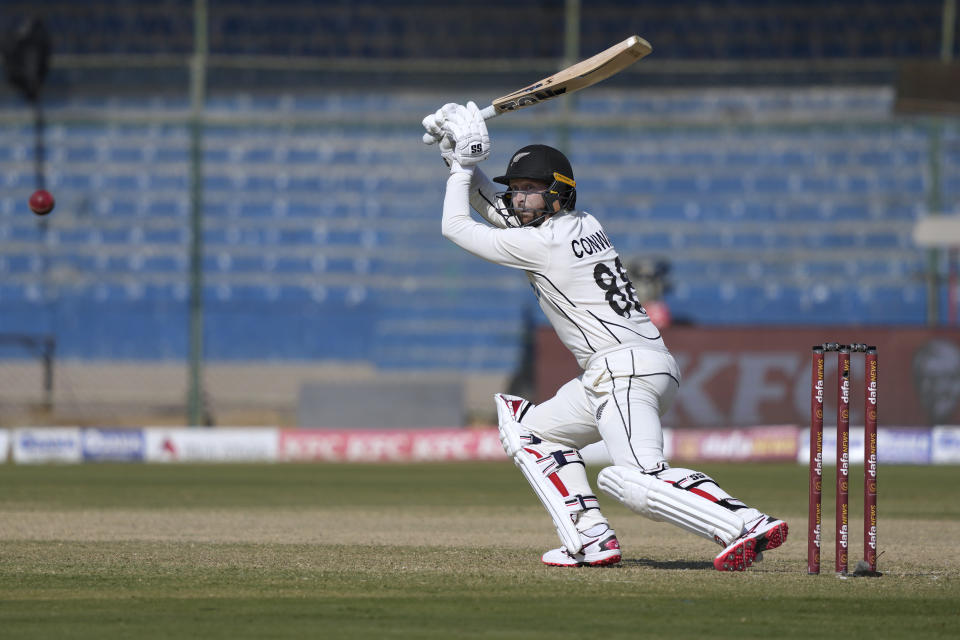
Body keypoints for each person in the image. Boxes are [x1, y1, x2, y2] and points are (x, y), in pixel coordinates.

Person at [421, 102, 788, 571]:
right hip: (622, 369)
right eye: (515, 190)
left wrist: (466, 167)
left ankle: (745, 523)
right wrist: (455, 160)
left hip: (625, 372)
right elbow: (495, 209)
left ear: (559, 194)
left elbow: (455, 226)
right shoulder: (582, 224)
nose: (518, 198)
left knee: (634, 479)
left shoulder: (542, 244)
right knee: (530, 432)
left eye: (531, 190)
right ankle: (590, 537)